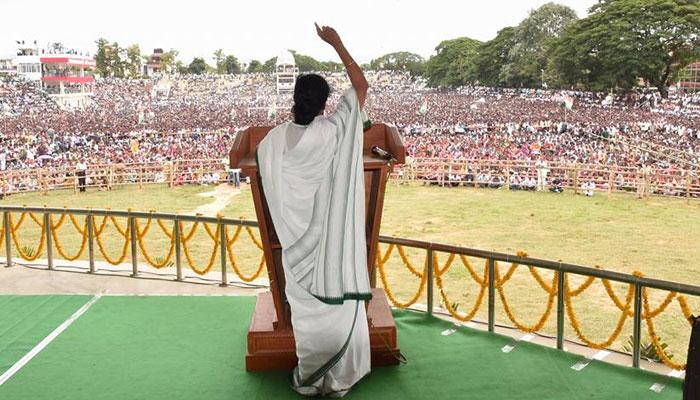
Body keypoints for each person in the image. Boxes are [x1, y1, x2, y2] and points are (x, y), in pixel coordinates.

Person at [255, 23, 371, 397]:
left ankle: (309, 379)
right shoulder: (333, 131)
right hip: (329, 250)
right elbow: (361, 88)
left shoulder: (272, 143)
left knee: (306, 312)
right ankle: (336, 381)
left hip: (295, 247)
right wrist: (337, 43)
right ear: (324, 102)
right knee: (333, 309)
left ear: (294, 97)